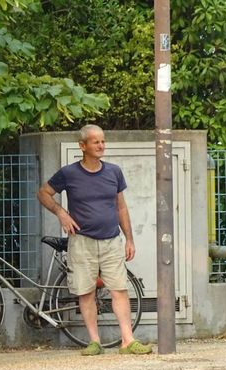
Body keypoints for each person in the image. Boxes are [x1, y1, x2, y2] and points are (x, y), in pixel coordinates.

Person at [37, 124, 153, 356]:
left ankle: (127, 341)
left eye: (102, 141)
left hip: (111, 240)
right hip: (81, 241)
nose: (101, 145)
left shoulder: (114, 172)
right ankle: (94, 342)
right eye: (95, 142)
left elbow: (121, 207)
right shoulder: (69, 173)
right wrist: (61, 212)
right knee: (86, 291)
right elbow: (43, 193)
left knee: (119, 289)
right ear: (83, 146)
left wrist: (129, 239)